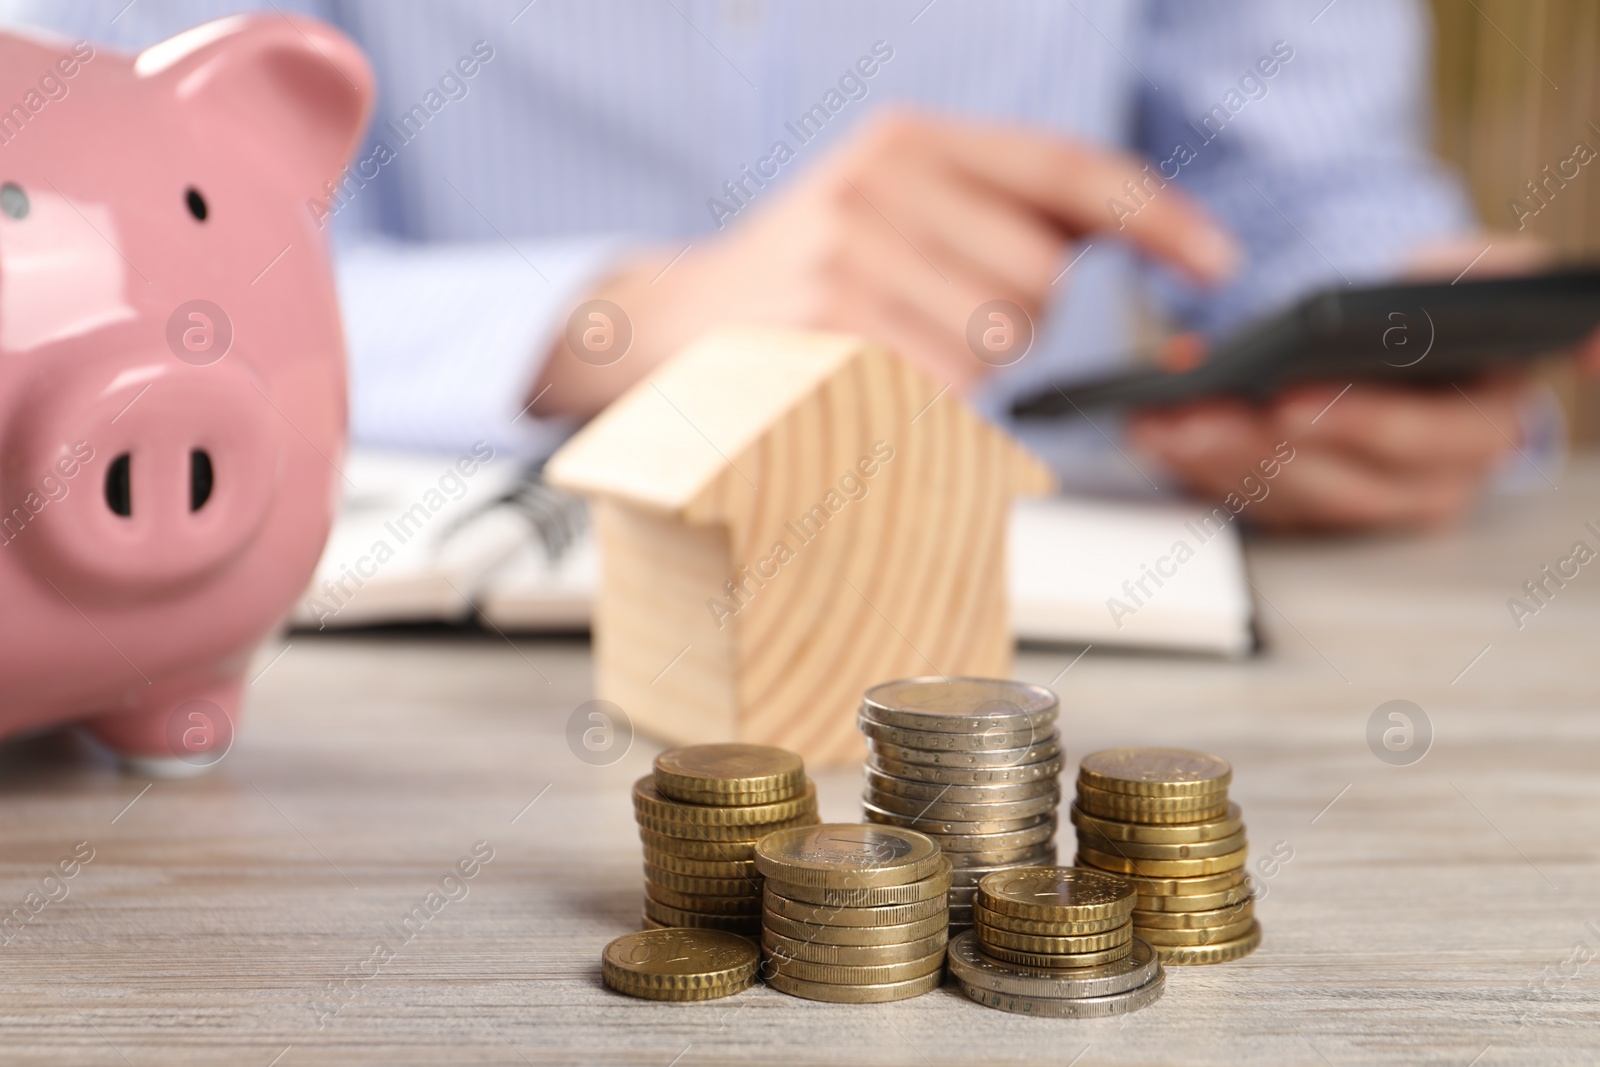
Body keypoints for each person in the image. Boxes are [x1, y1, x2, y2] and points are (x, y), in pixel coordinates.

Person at [4, 0, 1577, 530]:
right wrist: (612, 319)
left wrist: (1398, 336)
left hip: (1069, 567)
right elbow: (80, 230)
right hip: (378, 611)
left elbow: (1306, 191)